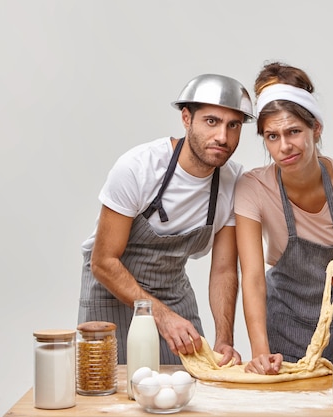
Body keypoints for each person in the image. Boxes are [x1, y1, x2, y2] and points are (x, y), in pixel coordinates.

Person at [78, 73, 255, 366]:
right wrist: (161, 317)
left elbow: (224, 269)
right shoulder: (138, 168)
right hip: (111, 289)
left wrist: (225, 339)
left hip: (172, 291)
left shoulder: (235, 182)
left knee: (191, 384)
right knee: (110, 390)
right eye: (212, 121)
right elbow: (103, 262)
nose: (223, 137)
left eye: (233, 125)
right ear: (186, 119)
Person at [235, 62, 333, 375]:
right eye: (272, 137)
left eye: (293, 132)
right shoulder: (253, 188)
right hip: (283, 320)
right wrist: (260, 351)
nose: (284, 146)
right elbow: (251, 276)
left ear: (315, 128)